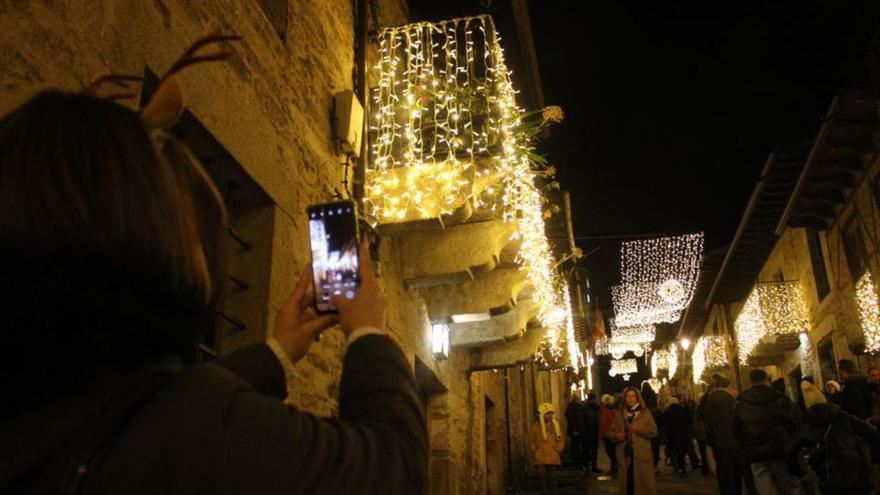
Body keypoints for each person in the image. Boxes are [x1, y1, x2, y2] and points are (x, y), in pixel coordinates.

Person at [0, 91, 428, 493]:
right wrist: (368, 332)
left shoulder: (48, 380)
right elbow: (395, 468)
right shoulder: (190, 430)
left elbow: (148, 405)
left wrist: (280, 350)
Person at [786, 381, 880, 494]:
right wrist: (874, 457)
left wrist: (800, 473)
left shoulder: (806, 427)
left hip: (828, 478)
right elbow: (873, 433)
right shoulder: (843, 416)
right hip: (856, 472)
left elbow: (788, 450)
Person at [734, 368, 802, 495]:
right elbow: (793, 423)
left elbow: (736, 430)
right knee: (789, 487)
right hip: (779, 449)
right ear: (766, 380)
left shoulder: (741, 404)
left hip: (755, 452)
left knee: (765, 490)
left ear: (750, 382)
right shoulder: (778, 399)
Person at [609, 387, 658, 495]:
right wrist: (616, 436)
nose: (630, 399)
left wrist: (638, 429)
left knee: (642, 484)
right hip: (625, 454)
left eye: (633, 396)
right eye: (628, 396)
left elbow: (653, 431)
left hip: (641, 454)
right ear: (625, 398)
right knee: (628, 482)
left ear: (637, 398)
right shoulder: (620, 414)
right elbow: (611, 432)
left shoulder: (645, 413)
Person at [530, 403, 565, 495]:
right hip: (540, 456)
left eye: (550, 414)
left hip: (553, 455)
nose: (549, 416)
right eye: (547, 414)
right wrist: (535, 451)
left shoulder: (555, 426)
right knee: (542, 478)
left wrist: (558, 449)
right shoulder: (536, 427)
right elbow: (531, 440)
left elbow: (560, 439)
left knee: (552, 478)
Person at [664, 397, 690, 476]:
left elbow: (666, 424)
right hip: (683, 434)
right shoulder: (683, 410)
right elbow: (688, 421)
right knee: (682, 451)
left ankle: (676, 467)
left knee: (674, 452)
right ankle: (683, 467)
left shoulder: (667, 411)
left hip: (672, 435)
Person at [641, 381, 662, 470]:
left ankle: (648, 463)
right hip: (656, 427)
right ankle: (655, 464)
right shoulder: (653, 394)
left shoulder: (641, 395)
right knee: (655, 446)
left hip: (645, 426)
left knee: (647, 446)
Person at [599, 394, 620, 475]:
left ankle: (615, 466)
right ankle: (615, 466)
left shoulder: (605, 411)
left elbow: (603, 423)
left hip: (608, 434)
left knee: (610, 450)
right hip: (613, 433)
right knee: (612, 450)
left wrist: (602, 435)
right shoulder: (614, 410)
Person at [565, 394, 586, 470]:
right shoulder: (572, 407)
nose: (579, 400)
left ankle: (579, 464)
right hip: (575, 432)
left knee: (578, 448)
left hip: (579, 431)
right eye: (578, 398)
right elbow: (571, 419)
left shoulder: (579, 406)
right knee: (576, 449)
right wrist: (574, 430)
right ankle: (577, 464)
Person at [693, 392, 712, 476]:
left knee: (703, 452)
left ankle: (705, 468)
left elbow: (696, 422)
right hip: (706, 433)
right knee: (709, 451)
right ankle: (710, 467)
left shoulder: (698, 409)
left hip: (701, 434)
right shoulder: (709, 409)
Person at [583, 392, 602, 473]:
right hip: (588, 432)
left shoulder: (596, 408)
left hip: (594, 432)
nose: (593, 401)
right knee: (588, 450)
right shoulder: (585, 408)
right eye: (592, 399)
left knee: (593, 450)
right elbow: (583, 420)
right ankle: (588, 465)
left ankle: (592, 466)